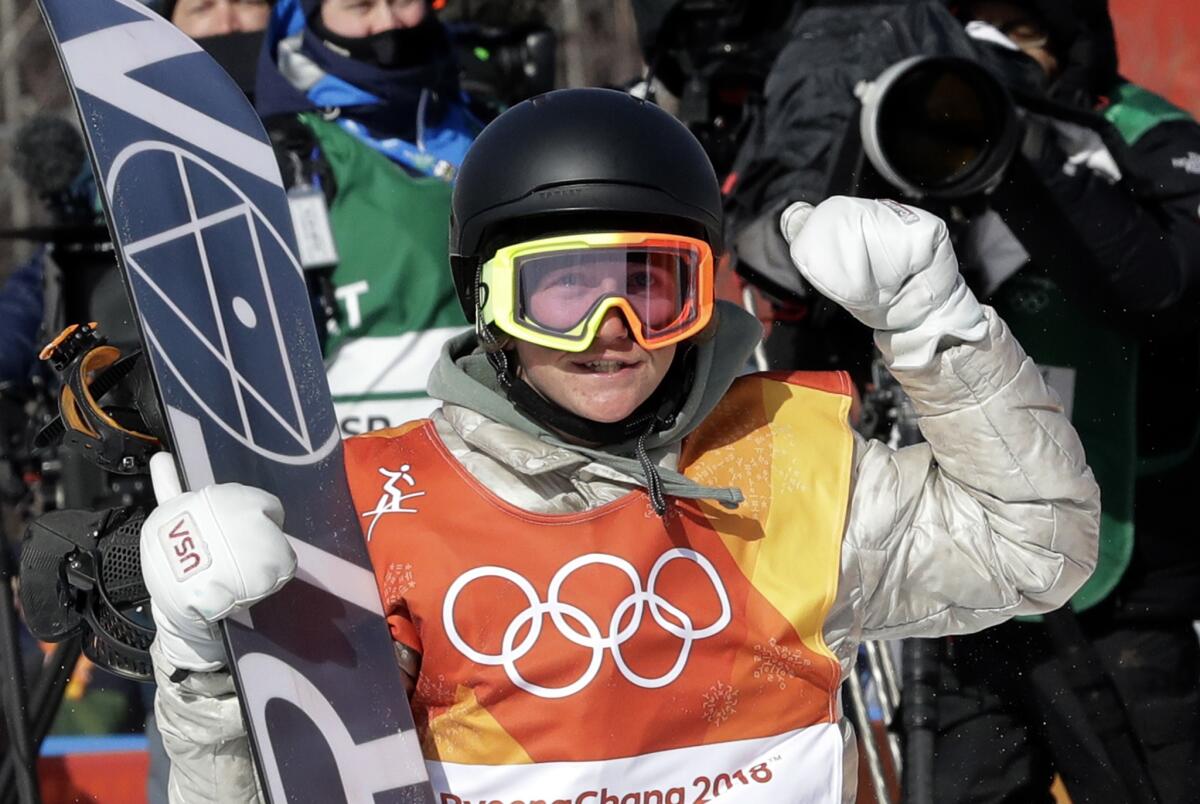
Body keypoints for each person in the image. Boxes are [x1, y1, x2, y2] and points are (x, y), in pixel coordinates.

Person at [137, 88, 1099, 803]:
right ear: (490, 306)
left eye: (652, 284)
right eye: (561, 290)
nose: (611, 330)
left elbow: (1035, 552)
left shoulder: (784, 466)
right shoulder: (383, 509)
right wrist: (206, 664)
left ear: (700, 296)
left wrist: (940, 329)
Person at [930, 2, 1200, 802]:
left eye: (1015, 31)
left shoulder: (1148, 134)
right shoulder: (918, 123)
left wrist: (1022, 142)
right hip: (962, 569)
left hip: (1127, 573)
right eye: (968, 27)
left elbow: (1164, 288)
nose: (986, 49)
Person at [255, 0, 483, 435]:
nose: (387, 23)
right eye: (360, 5)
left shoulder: (486, 126)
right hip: (357, 466)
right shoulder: (281, 151)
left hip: (495, 463)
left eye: (403, 1)